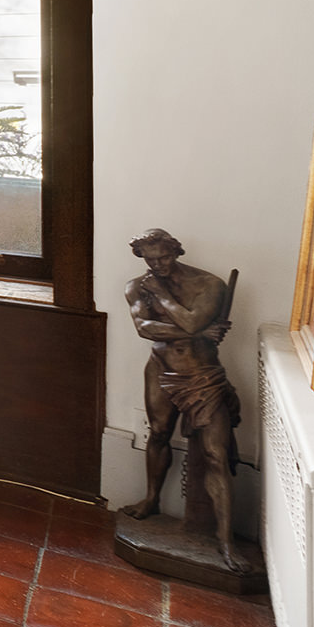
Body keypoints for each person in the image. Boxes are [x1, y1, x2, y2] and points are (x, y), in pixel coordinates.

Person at [121, 228, 243, 568]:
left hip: (202, 373)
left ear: (176, 252)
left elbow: (191, 321)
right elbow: (145, 329)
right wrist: (200, 331)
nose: (158, 265)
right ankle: (151, 500)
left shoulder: (209, 285)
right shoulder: (136, 286)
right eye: (150, 260)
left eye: (164, 257)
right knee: (159, 433)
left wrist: (163, 298)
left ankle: (226, 540)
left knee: (216, 453)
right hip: (160, 368)